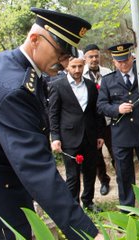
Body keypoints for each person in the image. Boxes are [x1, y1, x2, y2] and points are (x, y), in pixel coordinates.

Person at [0, 7, 104, 240]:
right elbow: (35, 167)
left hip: (8, 182)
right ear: (35, 39)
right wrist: (88, 233)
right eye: (60, 53)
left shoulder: (14, 64)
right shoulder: (12, 87)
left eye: (69, 55)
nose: (65, 63)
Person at [97, 43, 139, 208]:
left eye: (126, 60)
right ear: (114, 62)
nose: (123, 64)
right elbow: (101, 105)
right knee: (124, 174)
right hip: (121, 134)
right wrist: (117, 109)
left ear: (132, 58)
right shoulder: (108, 80)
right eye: (119, 61)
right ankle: (128, 208)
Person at [48, 56, 106, 212]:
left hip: (90, 135)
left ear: (84, 65)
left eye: (80, 66)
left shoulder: (91, 86)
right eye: (73, 66)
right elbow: (53, 113)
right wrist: (55, 137)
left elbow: (97, 112)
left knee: (90, 171)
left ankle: (88, 201)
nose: (77, 70)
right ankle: (73, 206)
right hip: (69, 138)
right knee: (72, 175)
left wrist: (100, 134)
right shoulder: (57, 86)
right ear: (67, 66)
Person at [83, 43, 112, 195]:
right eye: (91, 57)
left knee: (117, 152)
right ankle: (104, 181)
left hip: (109, 121)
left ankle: (123, 178)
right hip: (93, 124)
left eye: (96, 56)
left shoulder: (108, 73)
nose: (94, 59)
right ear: (85, 58)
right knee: (97, 156)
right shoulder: (81, 75)